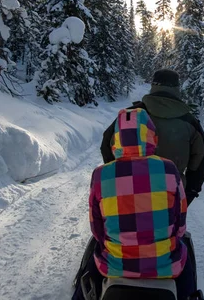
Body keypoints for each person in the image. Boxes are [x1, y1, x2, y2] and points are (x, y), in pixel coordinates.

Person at [73, 108, 196, 300]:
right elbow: (180, 225)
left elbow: (97, 230)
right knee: (188, 273)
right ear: (151, 137)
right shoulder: (169, 168)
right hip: (165, 265)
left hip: (115, 265)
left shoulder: (100, 174)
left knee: (85, 279)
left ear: (116, 139)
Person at [101, 69, 204, 206]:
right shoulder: (189, 122)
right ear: (177, 88)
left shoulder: (130, 115)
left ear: (153, 86)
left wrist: (118, 177)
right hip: (171, 196)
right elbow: (201, 161)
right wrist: (188, 194)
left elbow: (107, 144)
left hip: (129, 193)